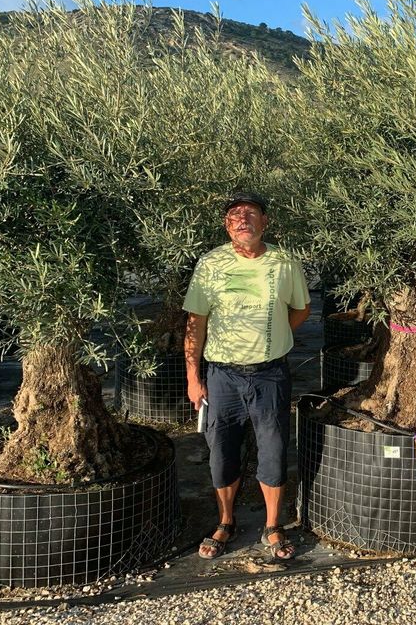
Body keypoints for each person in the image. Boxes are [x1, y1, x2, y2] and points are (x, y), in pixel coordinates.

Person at [183, 191, 310, 560]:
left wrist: (274, 336)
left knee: (273, 449)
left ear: (264, 222)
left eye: (250, 213)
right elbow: (196, 323)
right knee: (221, 452)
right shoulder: (210, 264)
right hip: (222, 376)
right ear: (227, 226)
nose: (242, 219)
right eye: (235, 215)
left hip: (270, 375)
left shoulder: (285, 262)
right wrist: (194, 377)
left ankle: (272, 526)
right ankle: (225, 522)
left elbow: (301, 310)